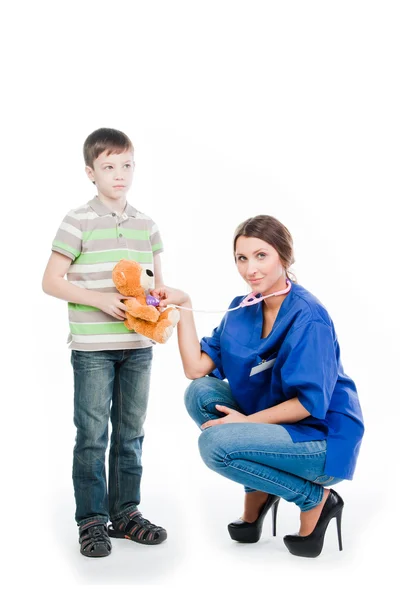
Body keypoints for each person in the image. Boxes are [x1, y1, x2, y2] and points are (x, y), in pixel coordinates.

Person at [152, 215, 364, 558]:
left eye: (261, 255)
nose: (251, 269)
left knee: (215, 446)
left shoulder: (309, 317)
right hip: (279, 425)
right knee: (200, 393)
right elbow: (195, 369)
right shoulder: (241, 309)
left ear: (284, 256)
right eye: (242, 258)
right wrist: (183, 305)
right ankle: (262, 492)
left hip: (320, 436)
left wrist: (245, 424)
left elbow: (310, 405)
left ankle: (316, 499)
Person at [42, 128, 167, 557]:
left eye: (127, 165)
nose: (120, 175)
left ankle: (126, 514)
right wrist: (101, 300)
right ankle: (92, 521)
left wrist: (159, 308)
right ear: (90, 172)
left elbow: (156, 287)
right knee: (92, 435)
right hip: (92, 348)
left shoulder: (147, 225)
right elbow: (51, 282)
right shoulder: (77, 220)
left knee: (131, 434)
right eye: (109, 167)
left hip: (138, 347)